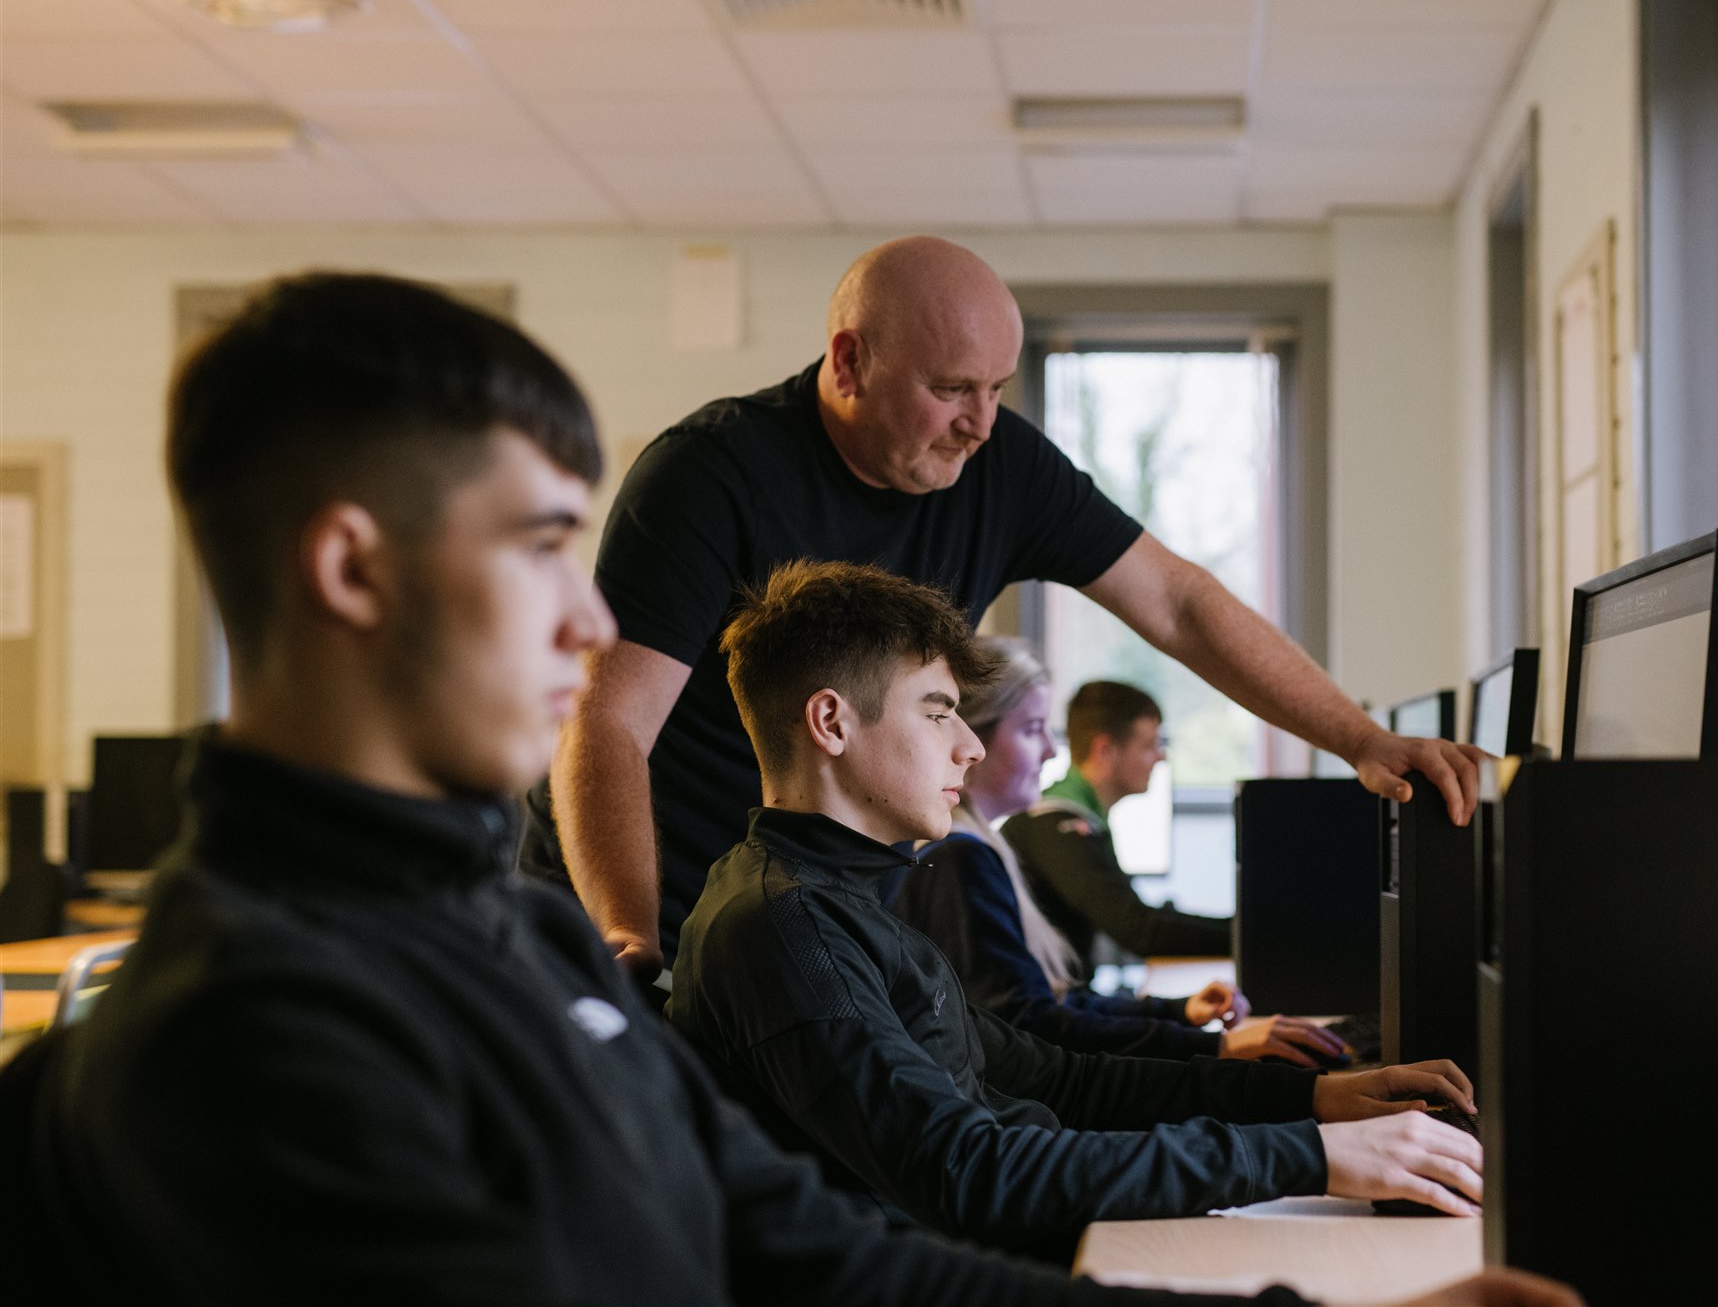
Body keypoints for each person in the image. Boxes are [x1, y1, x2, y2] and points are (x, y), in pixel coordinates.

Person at [0, 271, 1563, 1307]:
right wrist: (639, 940)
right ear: (350, 570)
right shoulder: (254, 1042)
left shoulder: (514, 951)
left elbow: (812, 1244)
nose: (588, 620)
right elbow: (609, 737)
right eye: (542, 548)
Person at [530, 234, 1486, 978]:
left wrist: (1359, 738)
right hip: (645, 891)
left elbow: (1180, 603)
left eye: (996, 388)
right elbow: (607, 722)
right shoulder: (711, 476)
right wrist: (626, 926)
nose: (980, 422)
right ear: (849, 360)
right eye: (950, 389)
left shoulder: (1000, 464)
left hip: (813, 900)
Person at [669, 560, 1489, 1265]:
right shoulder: (787, 928)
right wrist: (1309, 1156)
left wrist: (1312, 1101)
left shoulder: (843, 899)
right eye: (936, 709)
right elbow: (966, 1170)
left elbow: (1057, 1076)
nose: (972, 744)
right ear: (831, 721)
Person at [892, 636, 1351, 1066]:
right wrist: (1214, 1045)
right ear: (971, 740)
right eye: (1034, 729)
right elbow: (1035, 1029)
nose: (1053, 751)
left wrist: (1177, 1012)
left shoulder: (981, 848)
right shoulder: (962, 857)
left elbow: (1050, 1002)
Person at [1007, 680, 1233, 968]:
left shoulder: (1072, 818)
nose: (1161, 757)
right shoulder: (1056, 824)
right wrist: (1246, 935)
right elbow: (1138, 929)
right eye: (1149, 745)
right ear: (1105, 751)